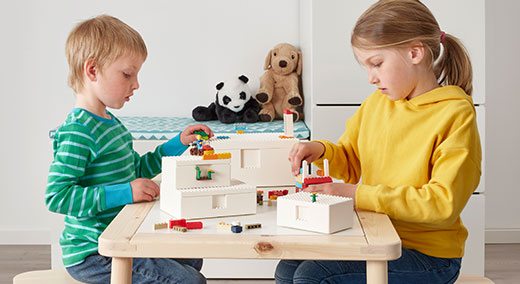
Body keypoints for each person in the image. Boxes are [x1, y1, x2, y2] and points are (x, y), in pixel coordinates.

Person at [276, 0, 481, 283]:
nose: (372, 78)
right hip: (374, 233)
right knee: (288, 267)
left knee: (314, 276)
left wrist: (356, 195)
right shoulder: (377, 104)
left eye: (377, 63)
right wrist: (320, 151)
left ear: (415, 52)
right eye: (367, 67)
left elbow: (442, 204)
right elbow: (350, 158)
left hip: (428, 256)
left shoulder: (454, 114)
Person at [46, 15, 211, 283]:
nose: (136, 84)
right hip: (94, 253)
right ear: (92, 71)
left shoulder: (112, 125)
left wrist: (178, 143)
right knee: (190, 280)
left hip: (123, 233)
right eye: (127, 74)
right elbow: (57, 196)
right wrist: (126, 192)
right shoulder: (78, 131)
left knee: (192, 258)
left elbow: (136, 170)